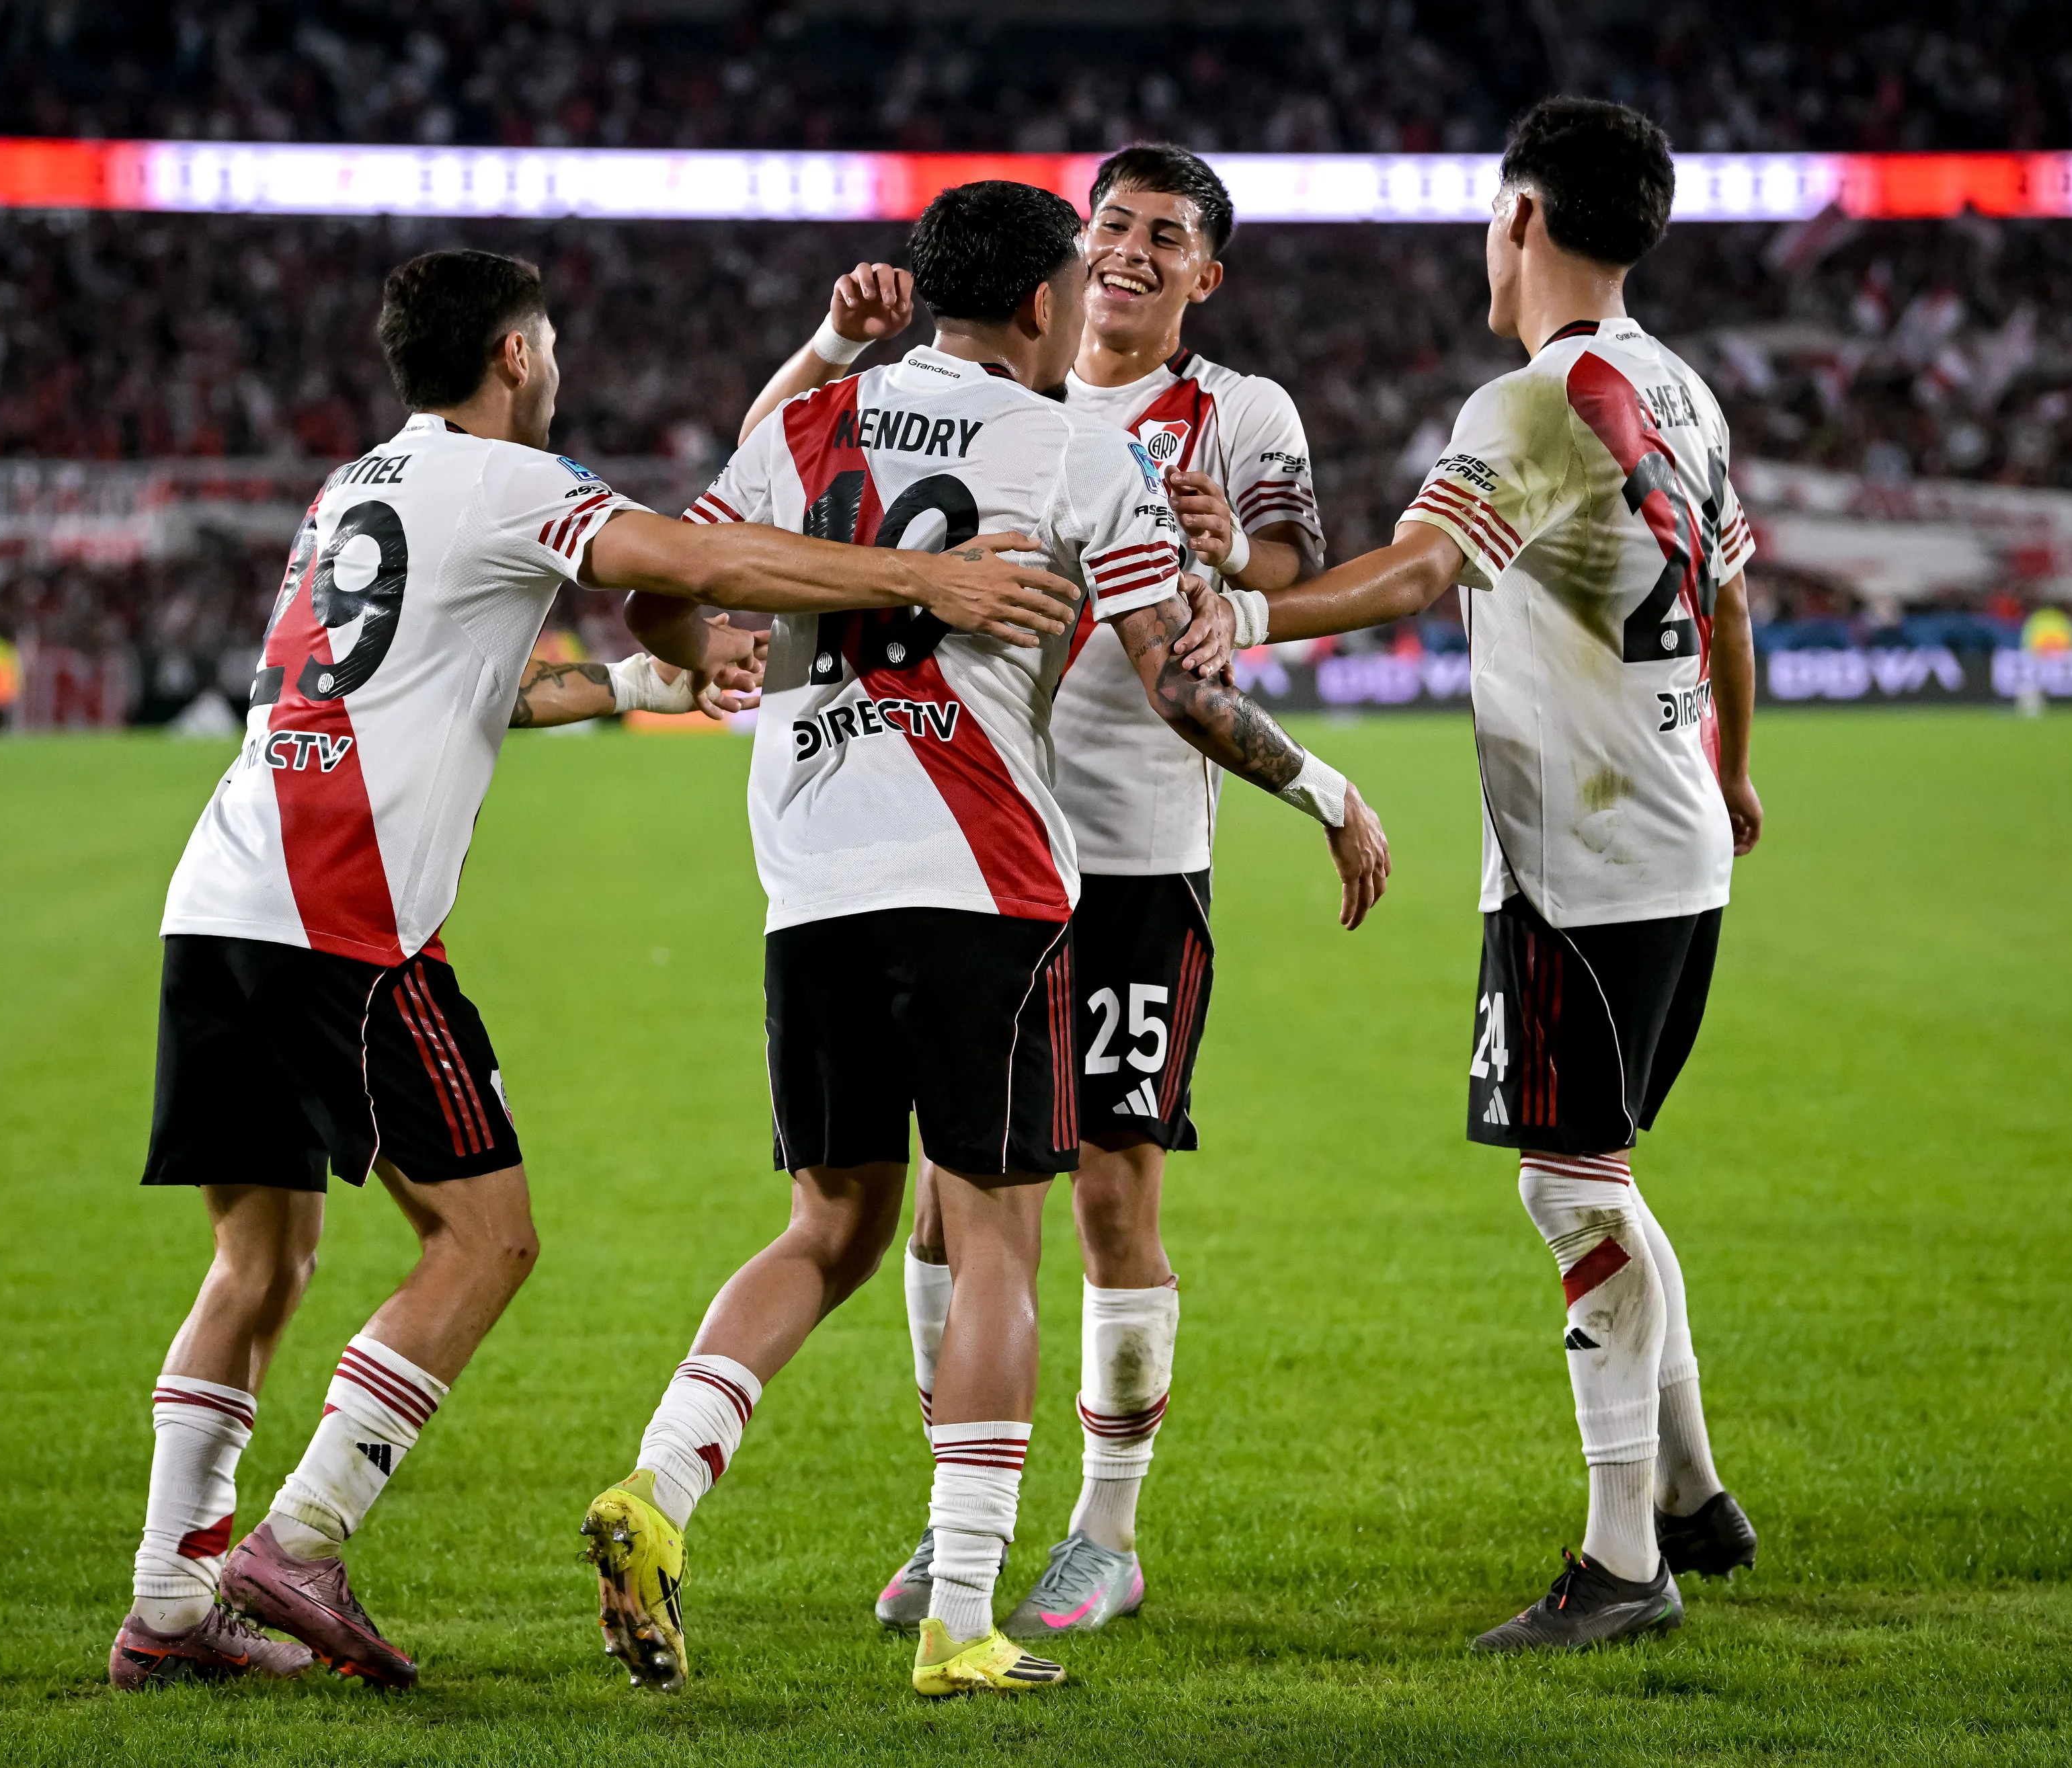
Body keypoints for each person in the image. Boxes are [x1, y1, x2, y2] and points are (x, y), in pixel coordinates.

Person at [110, 247, 1082, 1692]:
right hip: (347, 919)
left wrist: (641, 686)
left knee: (259, 1260)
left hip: (223, 892)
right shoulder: (514, 483)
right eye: (547, 338)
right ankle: (302, 1535)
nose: (552, 360)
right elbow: (695, 559)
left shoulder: (356, 487)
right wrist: (919, 575)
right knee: (486, 1240)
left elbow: (456, 679)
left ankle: (167, 1610)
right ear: (514, 353)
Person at [579, 179, 1390, 1701]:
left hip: (807, 879)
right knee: (1003, 1229)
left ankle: (659, 1492)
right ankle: (960, 1611)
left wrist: (712, 656)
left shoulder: (805, 424)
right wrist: (1326, 790)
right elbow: (1178, 686)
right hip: (983, 880)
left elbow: (649, 591)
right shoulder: (1079, 448)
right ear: (1043, 306)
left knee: (833, 1225)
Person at [735, 142, 1327, 1642]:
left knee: (1112, 1197)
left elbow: (1281, 560)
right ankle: (958, 1533)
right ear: (1065, 272)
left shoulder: (1237, 412)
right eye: (1108, 225)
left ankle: (1100, 1534)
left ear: (1207, 271)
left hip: (1129, 852)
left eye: (1163, 234)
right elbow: (776, 495)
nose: (1127, 250)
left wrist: (1225, 563)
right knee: (946, 1216)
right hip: (977, 862)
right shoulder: (1017, 406)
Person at [1240, 97, 1765, 1650]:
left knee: (1565, 1182)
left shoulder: (1526, 402)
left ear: (1522, 217)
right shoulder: (1678, 389)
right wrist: (1732, 765)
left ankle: (1621, 1562)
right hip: (1669, 834)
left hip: (1581, 858)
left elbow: (1418, 568)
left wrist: (1244, 618)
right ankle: (1688, 1496)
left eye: (1489, 214)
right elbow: (1735, 598)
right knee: (1600, 1164)